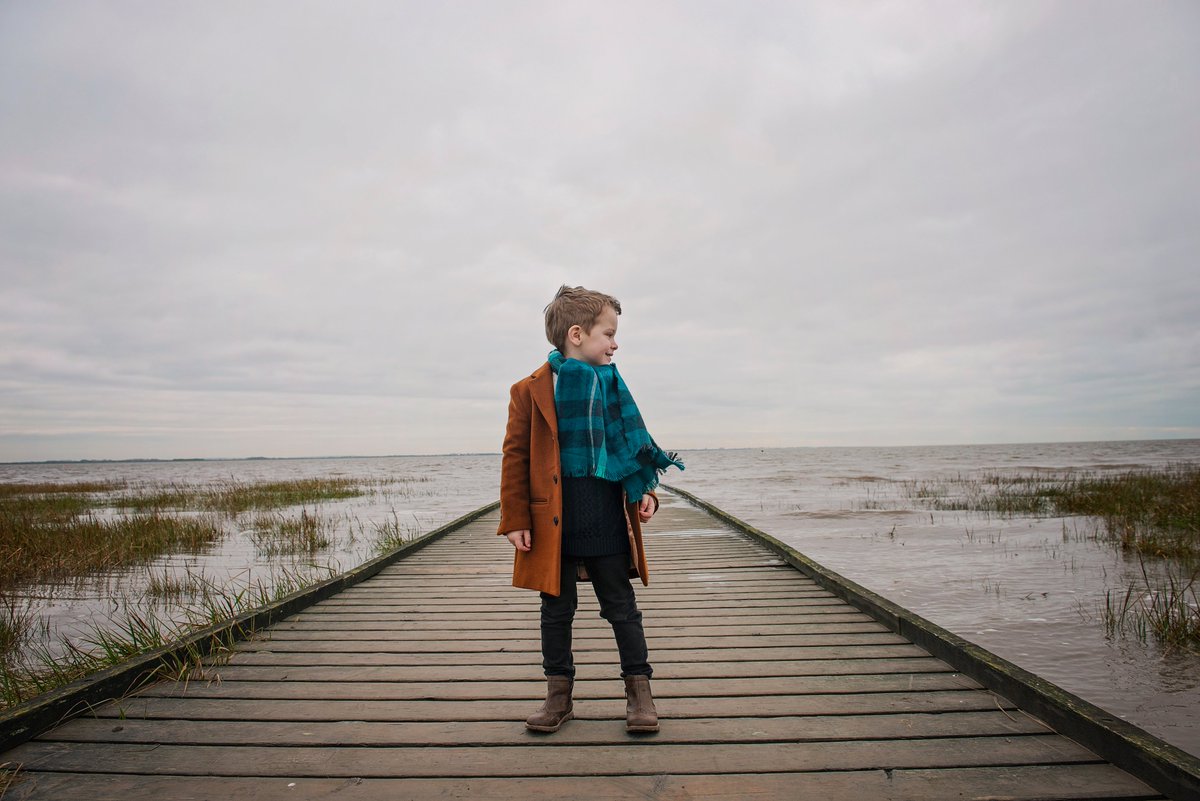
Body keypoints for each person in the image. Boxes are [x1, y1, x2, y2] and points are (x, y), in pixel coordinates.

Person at [498, 284, 683, 734]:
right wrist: (516, 518)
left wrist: (648, 492)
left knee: (622, 607)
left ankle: (640, 694)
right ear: (577, 334)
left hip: (605, 518)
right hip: (552, 523)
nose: (615, 343)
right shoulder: (530, 390)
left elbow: (632, 452)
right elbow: (515, 456)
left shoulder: (614, 386)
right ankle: (558, 697)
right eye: (609, 333)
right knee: (556, 611)